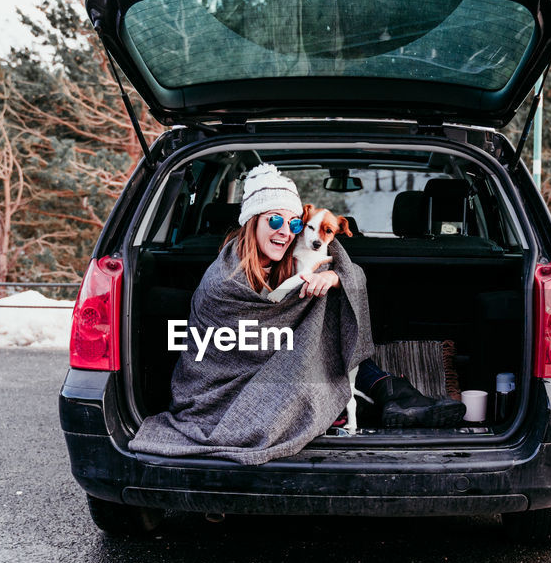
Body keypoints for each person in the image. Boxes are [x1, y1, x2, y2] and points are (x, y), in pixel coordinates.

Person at [128, 164, 464, 466]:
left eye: (292, 223)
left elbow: (351, 272)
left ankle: (386, 394)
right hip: (223, 390)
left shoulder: (293, 252)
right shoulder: (223, 281)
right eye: (274, 220)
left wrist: (332, 277)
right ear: (251, 222)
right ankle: (384, 394)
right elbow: (241, 341)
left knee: (329, 297)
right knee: (317, 314)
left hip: (282, 359)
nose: (285, 232)